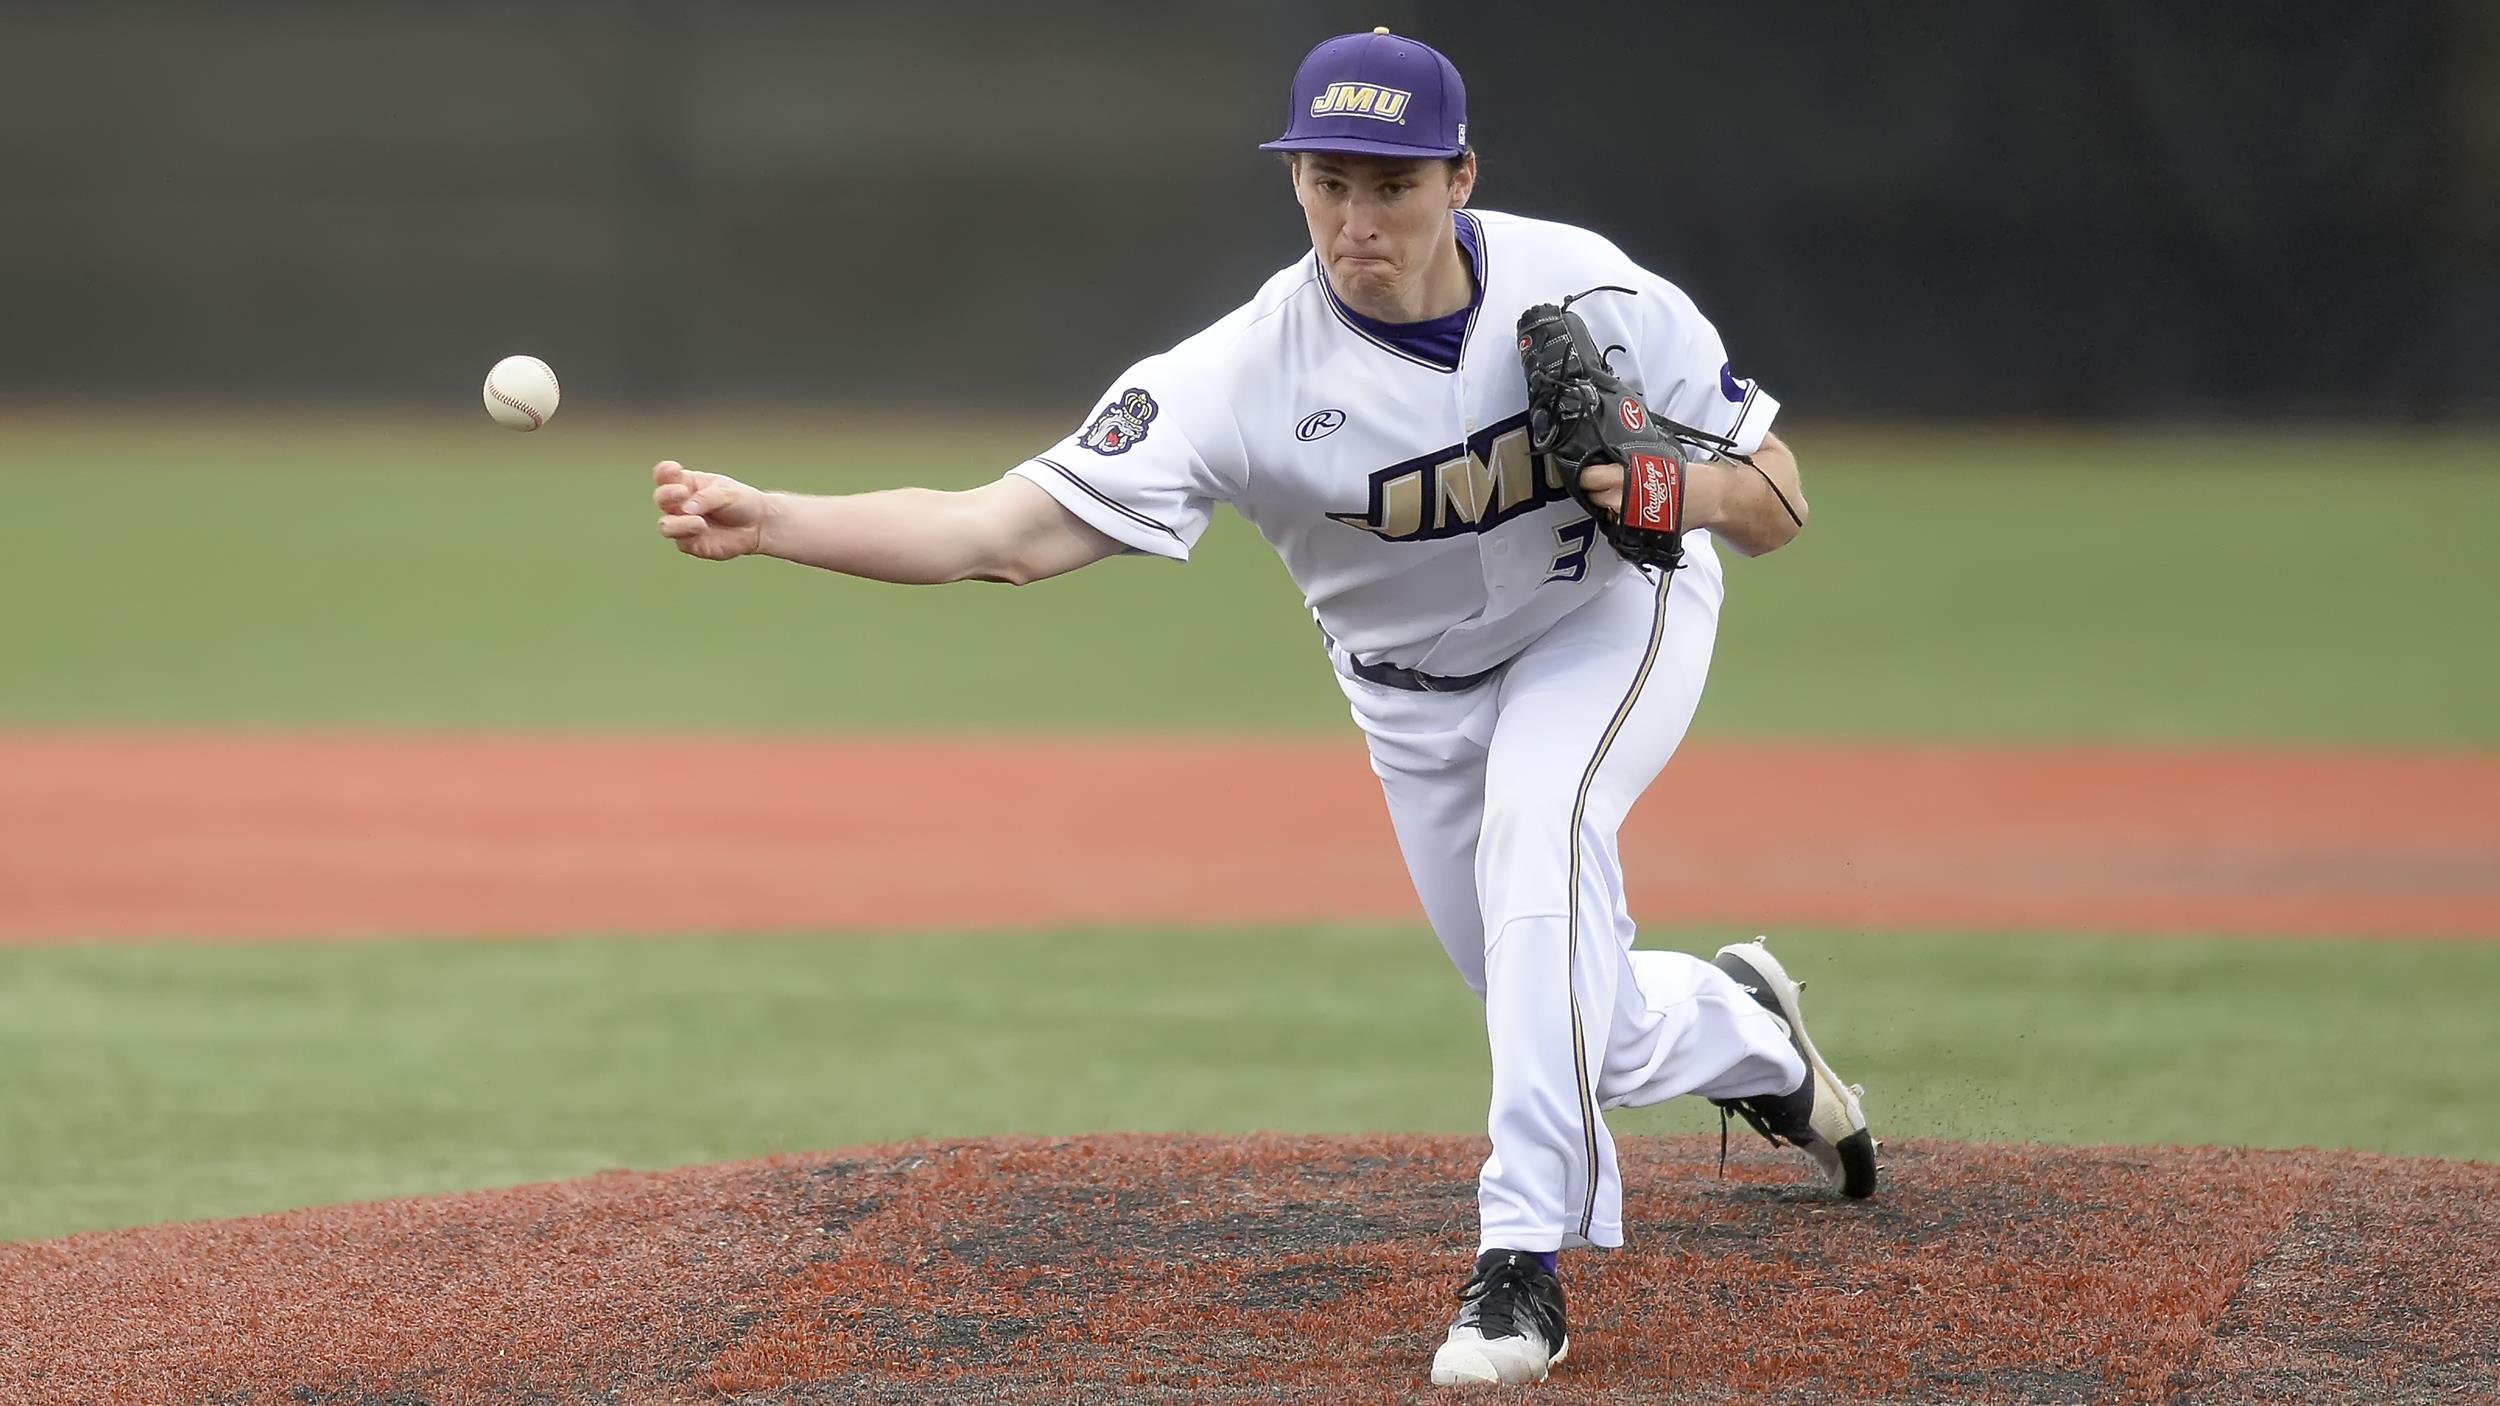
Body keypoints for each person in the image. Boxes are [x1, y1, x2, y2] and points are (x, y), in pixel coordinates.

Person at [650, 27, 1876, 1389]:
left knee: (1544, 834)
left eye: (1392, 185)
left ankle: (1521, 1262)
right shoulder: (1242, 374)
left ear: (1460, 177)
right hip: (1409, 703)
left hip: (1604, 619)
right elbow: (996, 531)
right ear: (1296, 182)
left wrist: (1671, 494)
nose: (1358, 219)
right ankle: (1755, 1037)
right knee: (1571, 999)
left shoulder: (1590, 287)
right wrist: (774, 520)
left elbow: (1778, 500)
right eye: (1328, 182)